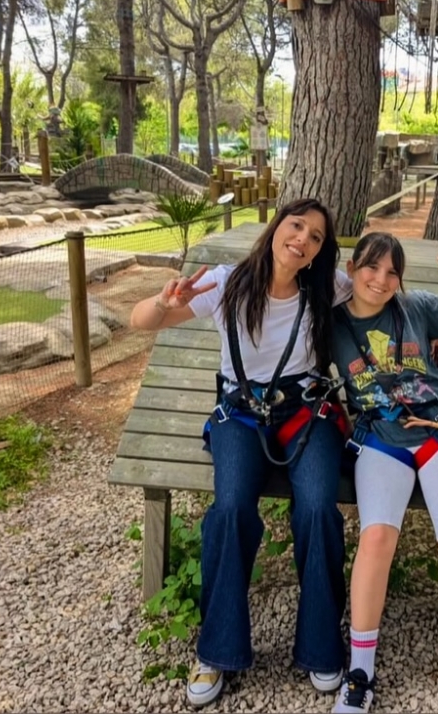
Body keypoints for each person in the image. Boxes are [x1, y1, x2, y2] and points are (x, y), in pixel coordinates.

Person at [130, 198, 352, 707]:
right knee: (229, 508)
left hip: (306, 411)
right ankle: (217, 649)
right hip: (241, 411)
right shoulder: (229, 283)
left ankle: (321, 644)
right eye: (297, 226)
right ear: (278, 227)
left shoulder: (326, 288)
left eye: (316, 236)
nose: (303, 239)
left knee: (318, 506)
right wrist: (165, 302)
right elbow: (140, 320)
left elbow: (384, 294)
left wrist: (423, 340)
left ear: (320, 251)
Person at [328, 232, 438, 714]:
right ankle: (359, 673)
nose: (379, 280)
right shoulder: (333, 323)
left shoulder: (415, 307)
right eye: (370, 267)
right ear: (351, 267)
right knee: (377, 539)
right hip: (381, 438)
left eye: (390, 271)